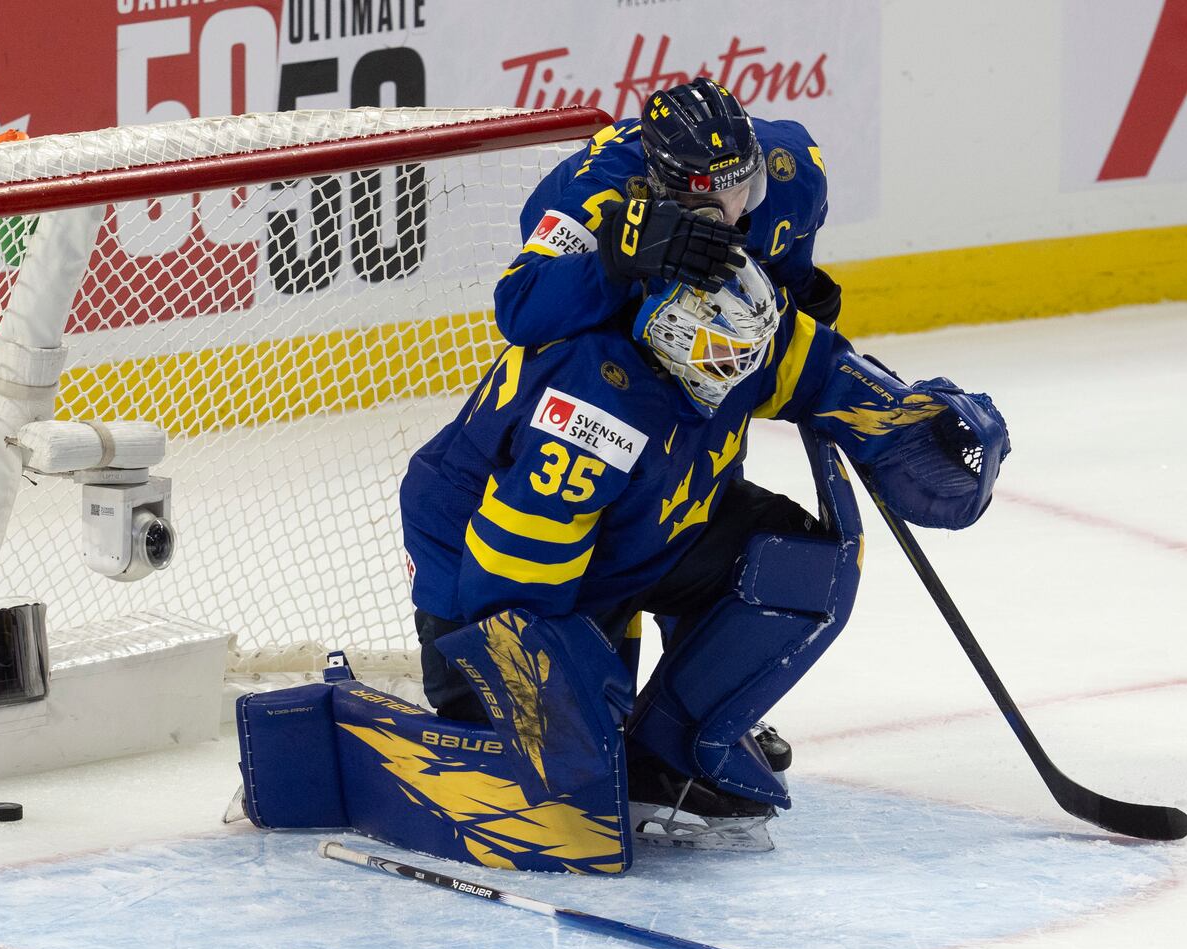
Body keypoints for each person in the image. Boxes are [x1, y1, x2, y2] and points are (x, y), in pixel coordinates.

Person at [401, 259, 1009, 852]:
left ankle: (670, 757)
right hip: (483, 584)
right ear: (672, 331)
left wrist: (911, 423)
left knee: (796, 563)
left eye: (750, 350)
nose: (741, 366)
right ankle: (504, 724)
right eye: (727, 352)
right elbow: (512, 587)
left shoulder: (718, 337)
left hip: (623, 544)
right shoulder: (593, 407)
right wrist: (565, 709)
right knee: (557, 779)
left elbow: (817, 369)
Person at [493, 77, 843, 355]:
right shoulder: (607, 190)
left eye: (742, 191)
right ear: (658, 184)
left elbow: (789, 257)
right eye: (704, 202)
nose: (727, 218)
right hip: (591, 271)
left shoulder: (792, 168)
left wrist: (802, 292)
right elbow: (518, 305)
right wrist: (620, 259)